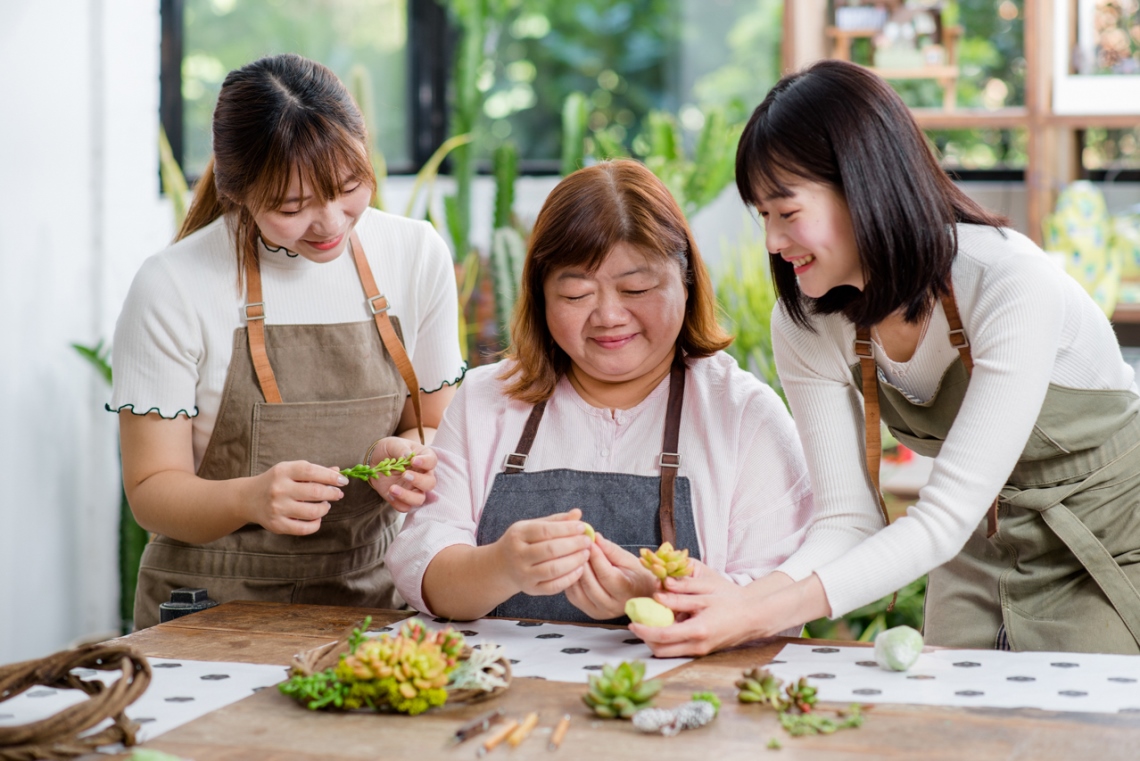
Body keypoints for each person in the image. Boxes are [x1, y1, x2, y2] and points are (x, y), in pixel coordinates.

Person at [633, 59, 1140, 657]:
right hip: (973, 545)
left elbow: (942, 517)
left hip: (1106, 536)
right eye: (763, 217)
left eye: (788, 212)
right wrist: (745, 600)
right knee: (947, 731)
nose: (772, 241)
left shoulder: (1007, 281)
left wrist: (756, 613)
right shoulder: (808, 323)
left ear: (864, 184)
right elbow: (848, 521)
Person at [110, 54, 464, 629]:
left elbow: (434, 424)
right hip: (210, 609)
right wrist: (248, 499)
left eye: (349, 187)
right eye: (291, 207)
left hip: (369, 595)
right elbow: (151, 489)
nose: (329, 224)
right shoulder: (173, 284)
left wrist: (401, 453)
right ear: (239, 192)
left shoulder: (415, 253)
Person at [385, 159, 813, 624]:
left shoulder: (744, 415)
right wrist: (501, 566)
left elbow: (776, 604)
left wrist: (650, 594)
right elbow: (424, 569)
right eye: (575, 295)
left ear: (686, 281)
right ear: (541, 297)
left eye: (637, 288)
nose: (608, 316)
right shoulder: (485, 402)